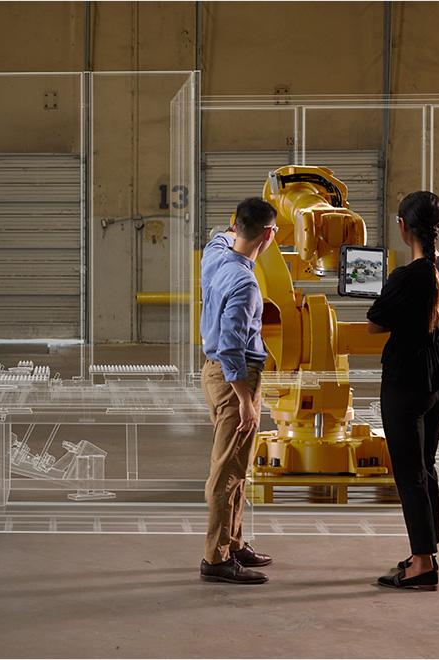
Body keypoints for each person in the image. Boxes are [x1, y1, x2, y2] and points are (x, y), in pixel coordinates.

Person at [366, 191, 439, 591]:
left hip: (407, 382)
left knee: (409, 474)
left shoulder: (407, 277)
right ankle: (427, 551)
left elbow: (374, 323)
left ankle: (422, 565)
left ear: (403, 228)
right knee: (426, 467)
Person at [198, 197, 278, 585]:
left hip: (213, 373)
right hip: (235, 378)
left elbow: (220, 235)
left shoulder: (214, 254)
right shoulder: (245, 284)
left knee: (238, 467)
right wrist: (246, 401)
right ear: (269, 235)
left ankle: (233, 542)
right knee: (227, 471)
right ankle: (216, 559)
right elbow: (231, 345)